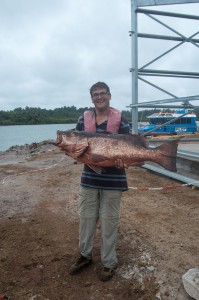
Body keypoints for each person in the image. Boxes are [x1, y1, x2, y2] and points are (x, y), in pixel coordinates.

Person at [69, 81, 130, 282]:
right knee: (86, 219)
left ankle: (109, 262)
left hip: (115, 180)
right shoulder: (82, 119)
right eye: (95, 94)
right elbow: (76, 149)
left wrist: (124, 161)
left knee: (109, 221)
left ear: (110, 96)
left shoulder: (121, 119)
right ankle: (85, 256)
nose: (99, 97)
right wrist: (73, 153)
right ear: (92, 98)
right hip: (89, 178)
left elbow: (129, 146)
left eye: (103, 93)